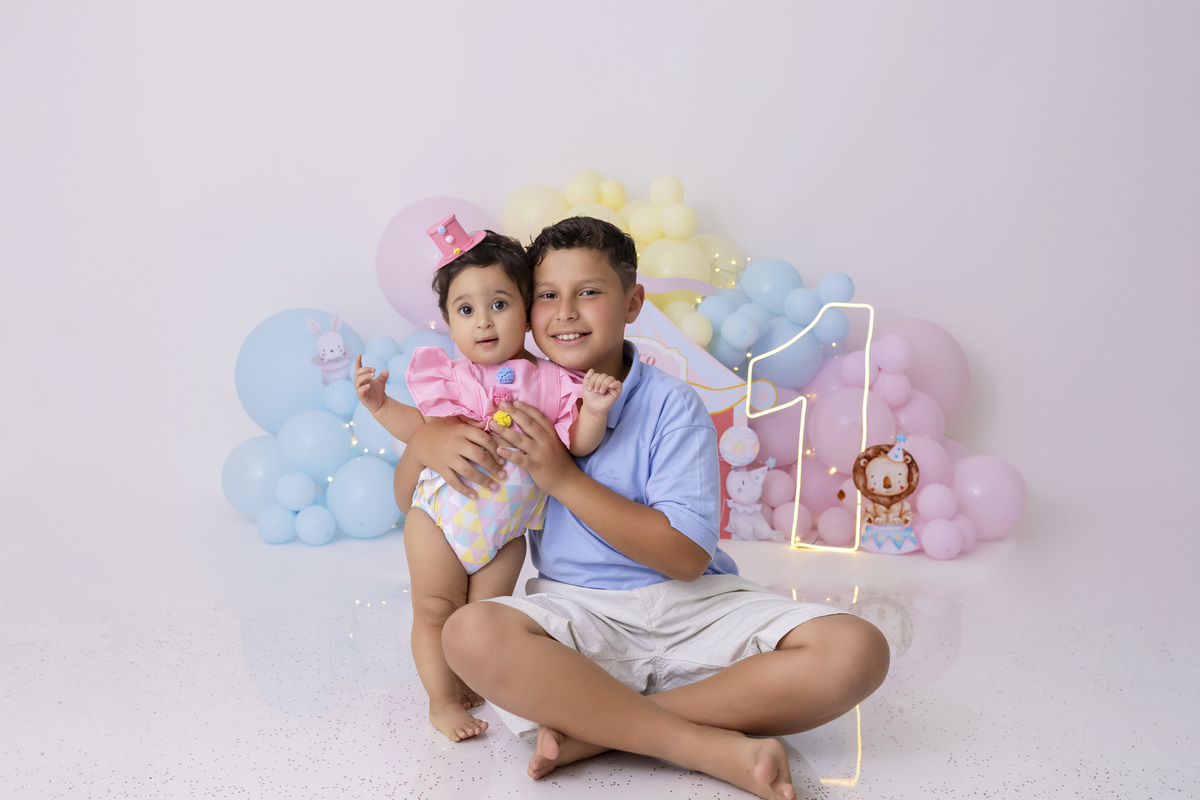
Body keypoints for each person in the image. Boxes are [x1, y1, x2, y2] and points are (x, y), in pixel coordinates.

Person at [403, 216, 891, 800]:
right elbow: (415, 499)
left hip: (694, 607)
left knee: (857, 650)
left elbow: (685, 558)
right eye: (547, 297)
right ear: (527, 311)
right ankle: (694, 741)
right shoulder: (508, 395)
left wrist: (561, 477)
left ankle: (602, 730)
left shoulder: (672, 406)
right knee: (470, 633)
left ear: (633, 303)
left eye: (589, 292)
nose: (565, 313)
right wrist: (426, 441)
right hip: (580, 615)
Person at [354, 215, 622, 742]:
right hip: (439, 519)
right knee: (435, 610)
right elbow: (420, 429)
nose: (483, 322)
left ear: (527, 311)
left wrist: (592, 409)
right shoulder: (450, 378)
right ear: (449, 322)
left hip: (505, 536)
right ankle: (441, 700)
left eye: (499, 304)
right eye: (466, 309)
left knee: (485, 618)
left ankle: (468, 671)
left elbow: (577, 443)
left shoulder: (551, 381)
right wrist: (381, 405)